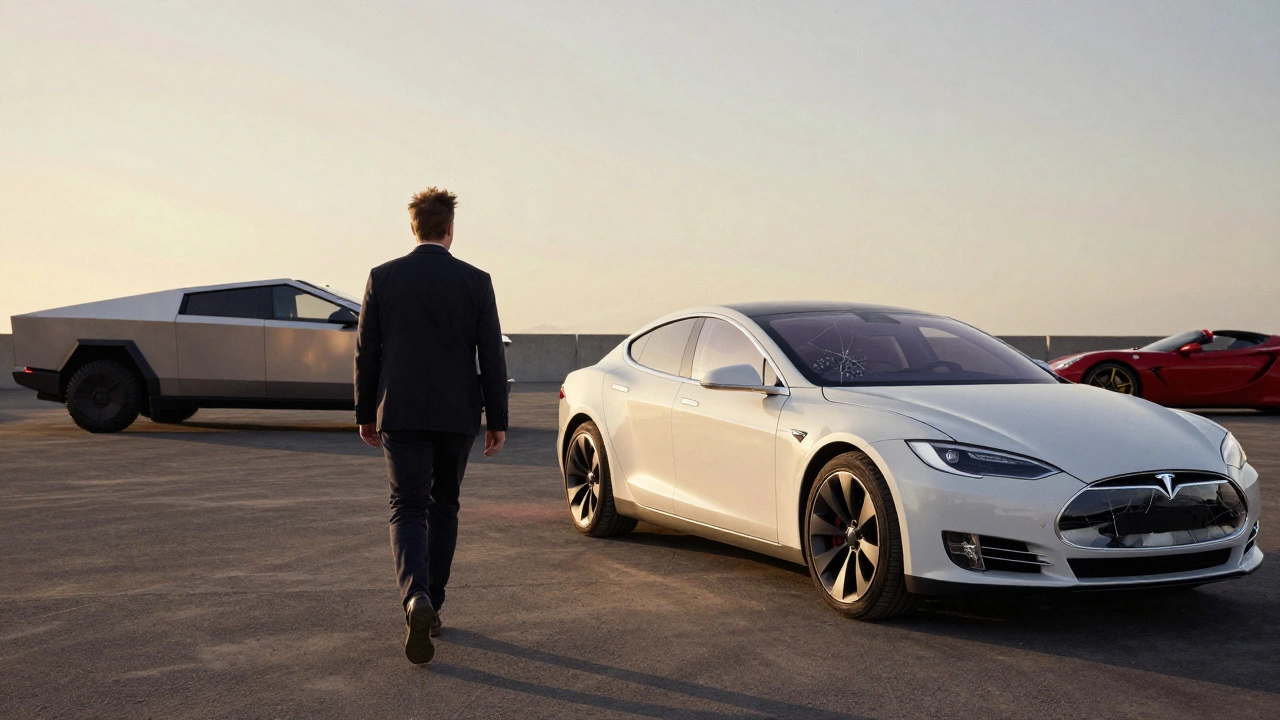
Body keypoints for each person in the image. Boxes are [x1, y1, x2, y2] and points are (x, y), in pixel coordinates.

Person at [354, 187, 508, 665]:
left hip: (399, 411)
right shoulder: (476, 281)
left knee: (406, 506)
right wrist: (497, 418)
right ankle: (433, 603)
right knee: (445, 507)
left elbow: (367, 352)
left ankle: (414, 597)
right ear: (450, 230)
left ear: (414, 228)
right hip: (456, 413)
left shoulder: (383, 278)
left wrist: (364, 412)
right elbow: (491, 353)